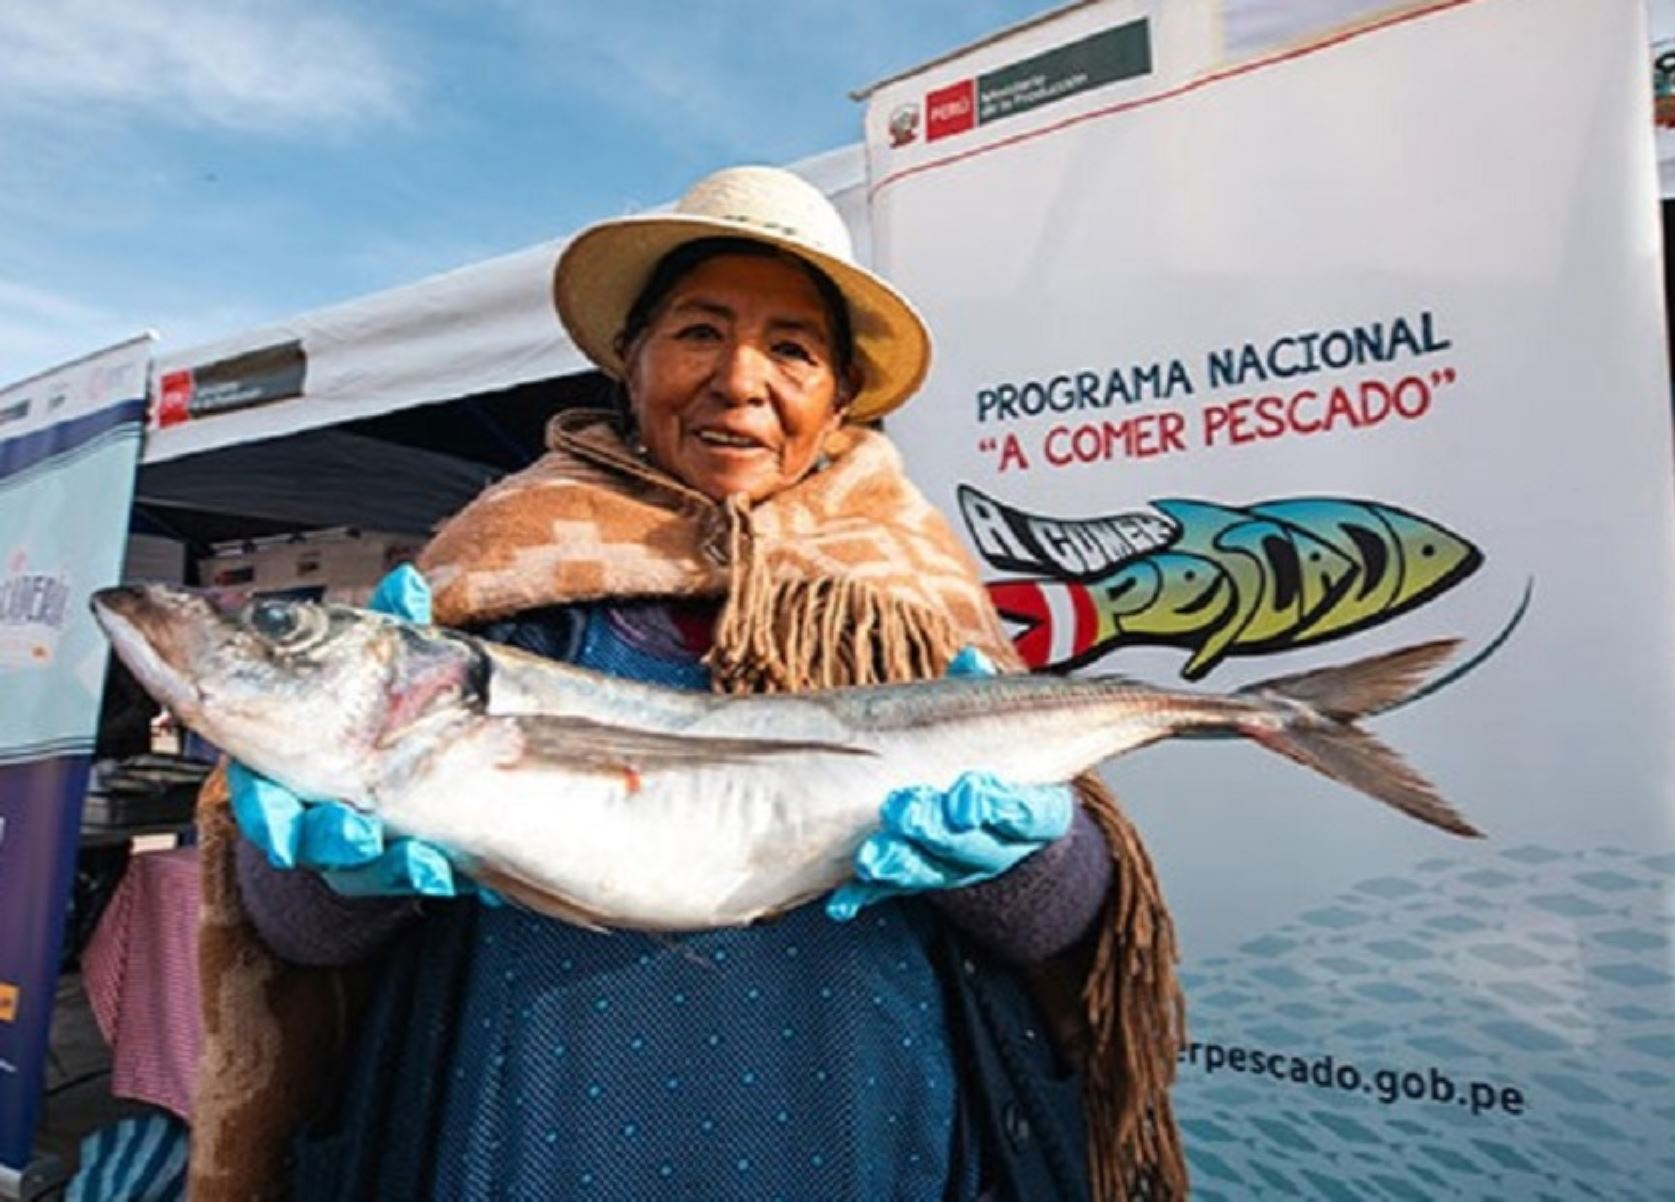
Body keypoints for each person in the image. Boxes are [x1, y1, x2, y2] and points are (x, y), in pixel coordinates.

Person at [185, 165, 1186, 1201]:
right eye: (700, 331)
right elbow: (298, 939)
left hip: (872, 1134)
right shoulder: (483, 574)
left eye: (792, 348)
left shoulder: (915, 591)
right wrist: (325, 876)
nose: (741, 379)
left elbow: (1068, 932)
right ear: (633, 361)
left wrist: (1025, 861)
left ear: (838, 397)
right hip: (526, 1132)